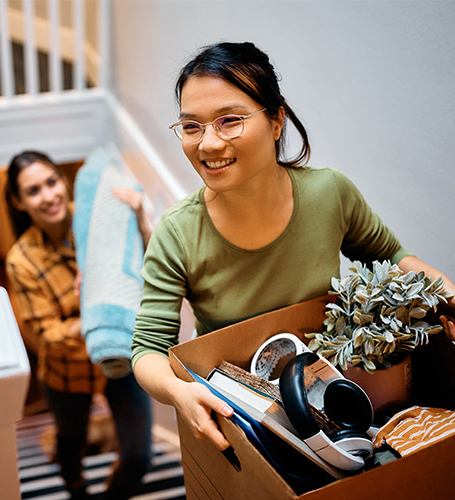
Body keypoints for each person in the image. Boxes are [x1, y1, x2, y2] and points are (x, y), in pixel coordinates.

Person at [130, 41, 455, 452]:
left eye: (229, 120)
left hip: (338, 406)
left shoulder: (329, 193)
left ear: (277, 120)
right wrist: (179, 393)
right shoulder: (177, 234)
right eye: (192, 126)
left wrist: (449, 295)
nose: (208, 144)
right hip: (244, 425)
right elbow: (147, 350)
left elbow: (391, 256)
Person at [4, 151, 153, 500]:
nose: (49, 195)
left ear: (65, 181)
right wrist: (89, 312)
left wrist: (142, 222)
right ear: (19, 201)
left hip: (118, 351)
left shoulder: (97, 219)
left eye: (53, 182)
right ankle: (75, 487)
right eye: (34, 190)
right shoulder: (20, 261)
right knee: (71, 442)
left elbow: (145, 268)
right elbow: (45, 336)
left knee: (138, 456)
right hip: (65, 371)